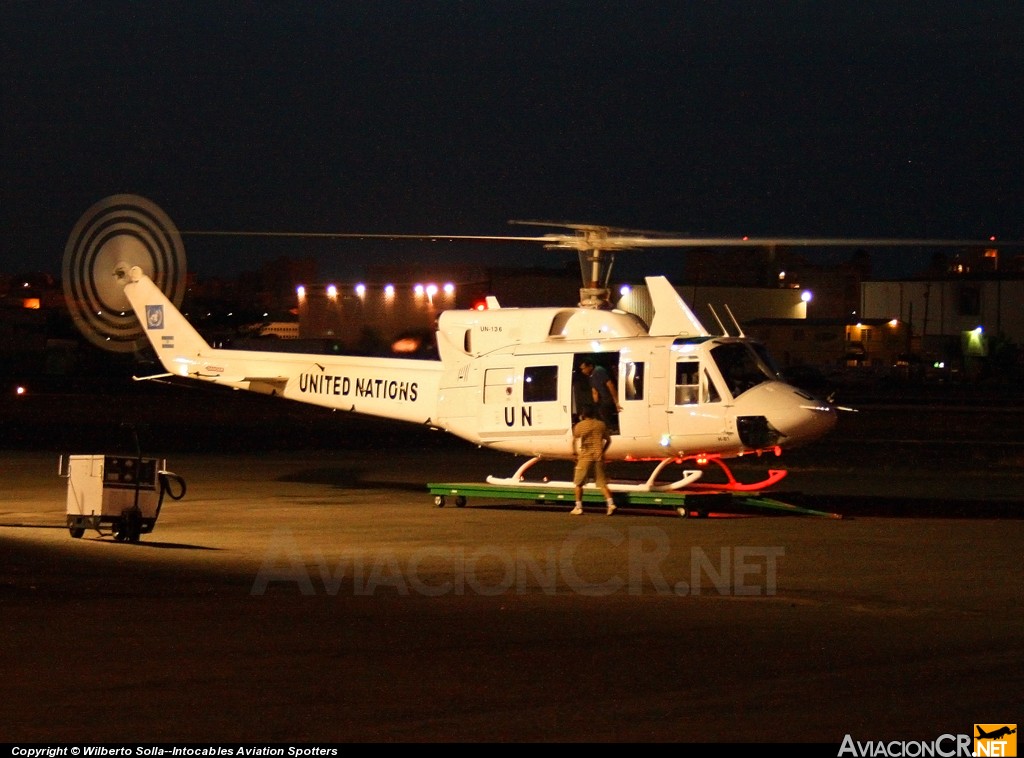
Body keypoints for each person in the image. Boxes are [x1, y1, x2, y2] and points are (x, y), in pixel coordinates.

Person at [570, 404, 616, 516]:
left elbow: (574, 440)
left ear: (583, 414)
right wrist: (603, 451)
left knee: (578, 483)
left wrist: (575, 453)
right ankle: (610, 504)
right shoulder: (601, 425)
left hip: (585, 457)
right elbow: (608, 440)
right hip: (598, 457)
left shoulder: (580, 426)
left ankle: (578, 507)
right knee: (602, 483)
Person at [579, 358, 621, 432]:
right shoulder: (590, 376)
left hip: (608, 399)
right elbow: (594, 390)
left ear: (590, 366)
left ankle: (611, 430)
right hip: (602, 400)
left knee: (604, 413)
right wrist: (595, 404)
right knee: (597, 413)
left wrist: (616, 401)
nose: (583, 371)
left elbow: (610, 385)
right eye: (581, 369)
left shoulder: (599, 371)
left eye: (584, 368)